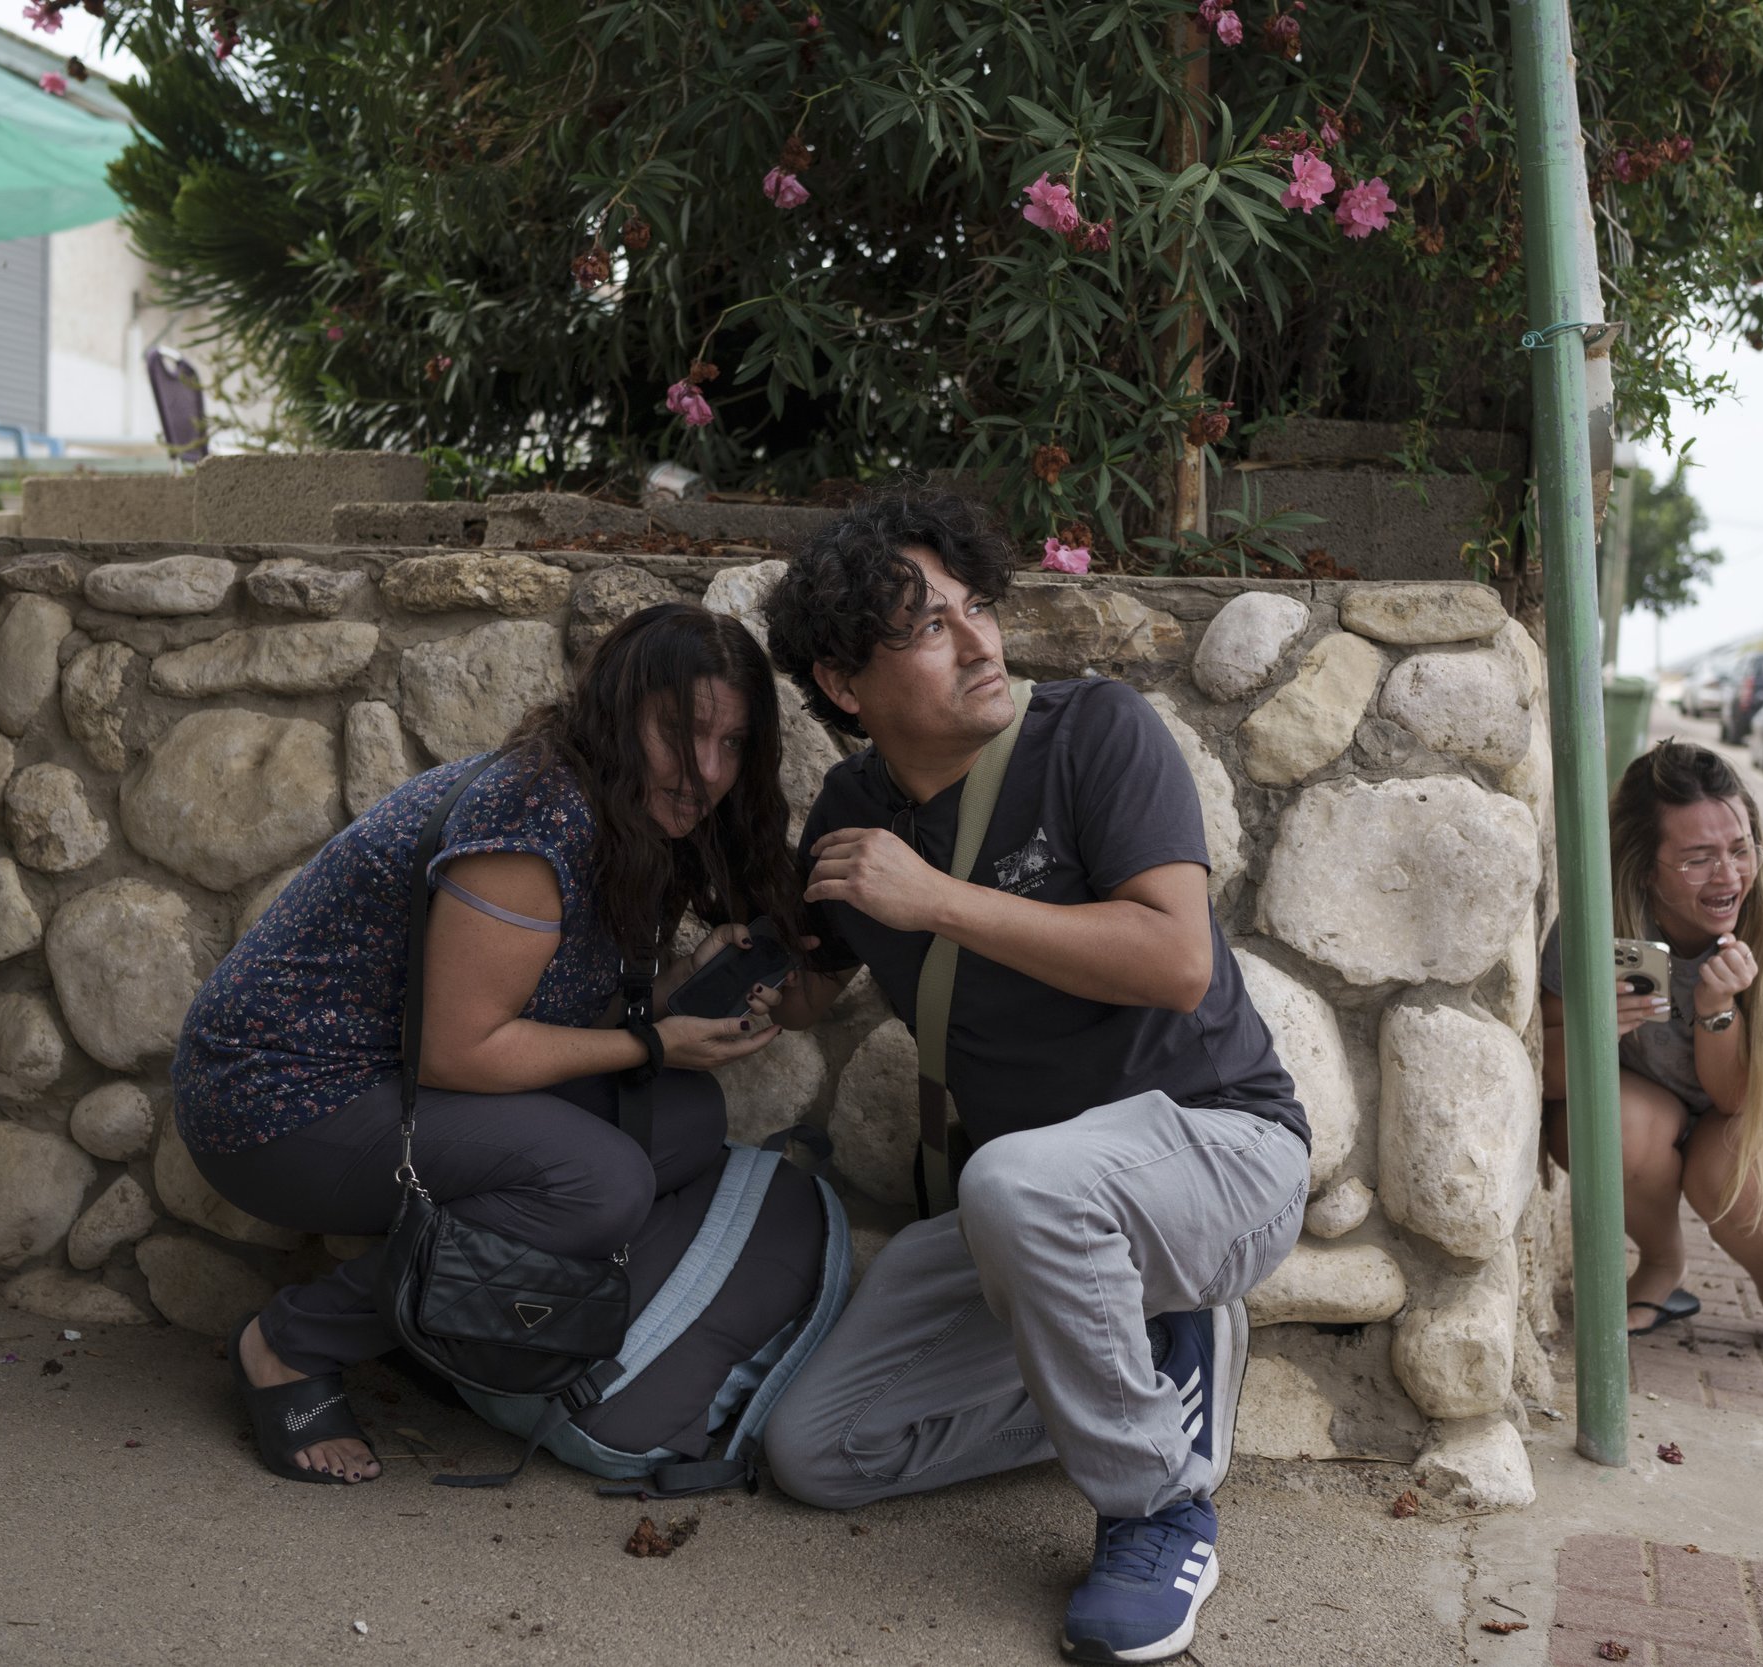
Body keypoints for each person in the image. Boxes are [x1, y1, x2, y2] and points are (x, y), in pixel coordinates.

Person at [752, 489, 1309, 1665]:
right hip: (1037, 1212)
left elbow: (1173, 957)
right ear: (844, 685)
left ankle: (1157, 1504)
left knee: (1011, 1184)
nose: (979, 640)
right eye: (926, 626)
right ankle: (1146, 1367)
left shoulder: (1096, 733)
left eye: (973, 607)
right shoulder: (854, 811)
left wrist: (938, 900)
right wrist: (736, 993)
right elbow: (814, 983)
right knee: (817, 1449)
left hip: (1217, 1149)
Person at [171, 603, 804, 1485]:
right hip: (276, 1100)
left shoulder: (621, 810)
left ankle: (438, 1311)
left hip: (393, 1079)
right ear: (621, 714)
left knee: (681, 1119)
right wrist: (653, 1042)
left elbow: (539, 1004)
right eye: (680, 731)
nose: (706, 771)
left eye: (733, 744)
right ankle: (289, 1342)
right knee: (602, 1181)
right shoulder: (535, 816)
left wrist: (675, 992)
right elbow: (460, 1053)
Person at [1540, 738, 1763, 1374]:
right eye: (1698, 859)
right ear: (1647, 867)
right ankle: (1661, 1262)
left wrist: (1716, 1008)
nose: (1729, 876)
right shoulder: (1598, 925)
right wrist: (1599, 1033)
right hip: (1649, 1101)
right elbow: (1549, 1079)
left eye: (1740, 849)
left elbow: (1739, 1099)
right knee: (1607, 1126)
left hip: (1753, 1105)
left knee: (1737, 1175)